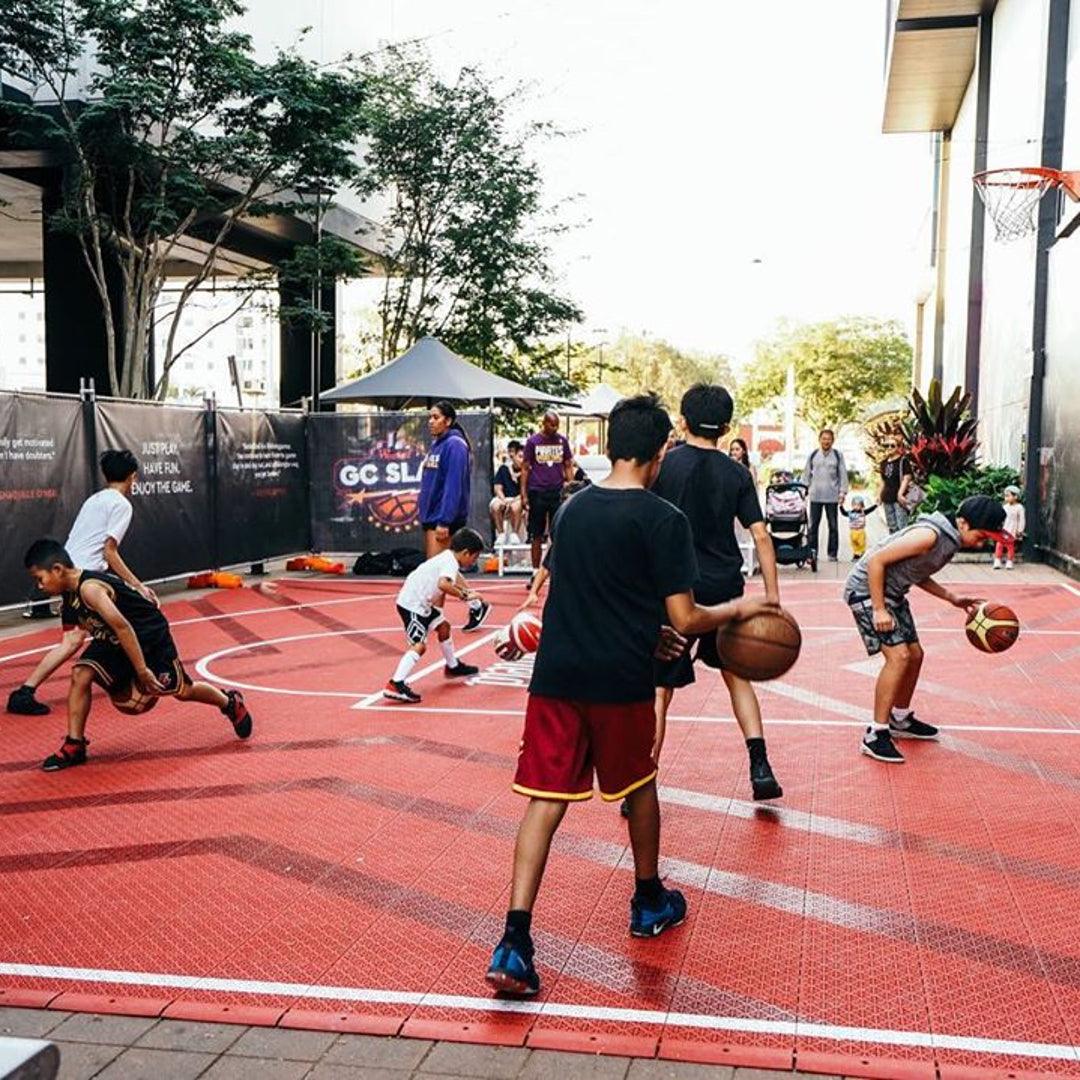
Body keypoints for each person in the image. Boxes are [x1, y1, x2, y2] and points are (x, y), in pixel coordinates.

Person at [485, 393, 770, 997]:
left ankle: (514, 940)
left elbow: (590, 592)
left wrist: (655, 633)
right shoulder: (664, 521)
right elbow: (688, 618)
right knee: (639, 787)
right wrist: (739, 608)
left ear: (614, 445)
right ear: (661, 449)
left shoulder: (571, 511)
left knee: (545, 802)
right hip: (621, 681)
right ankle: (647, 901)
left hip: (558, 677)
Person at [650, 384, 784, 802]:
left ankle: (642, 780)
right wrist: (773, 598)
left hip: (674, 590)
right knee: (738, 678)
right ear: (726, 427)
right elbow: (762, 537)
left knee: (658, 690)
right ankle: (759, 763)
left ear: (682, 421)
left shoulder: (663, 467)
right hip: (725, 586)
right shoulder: (738, 473)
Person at [23, 537, 253, 772]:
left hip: (148, 637)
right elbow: (72, 641)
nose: (39, 586)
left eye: (39, 579)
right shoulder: (69, 596)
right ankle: (75, 745)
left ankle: (229, 703)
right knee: (81, 672)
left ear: (58, 570)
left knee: (183, 691)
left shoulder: (89, 589)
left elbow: (124, 627)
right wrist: (28, 687)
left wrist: (142, 671)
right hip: (115, 639)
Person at [842, 495, 1006, 764]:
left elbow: (914, 572)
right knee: (899, 657)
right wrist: (879, 609)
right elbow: (876, 562)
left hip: (892, 593)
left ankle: (900, 719)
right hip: (866, 592)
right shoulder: (928, 535)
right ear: (963, 523)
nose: (984, 541)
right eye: (982, 534)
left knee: (915, 655)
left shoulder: (949, 542)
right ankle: (875, 733)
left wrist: (951, 598)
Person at [7, 449, 155, 718]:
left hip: (71, 575)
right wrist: (137, 585)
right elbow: (109, 551)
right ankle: (137, 673)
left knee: (73, 639)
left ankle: (24, 692)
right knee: (123, 626)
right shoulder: (122, 504)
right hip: (83, 579)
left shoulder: (95, 499)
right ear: (132, 477)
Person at [383, 528, 485, 703]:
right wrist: (465, 596)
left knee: (444, 627)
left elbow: (455, 578)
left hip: (422, 602)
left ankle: (453, 666)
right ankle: (395, 683)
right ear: (466, 553)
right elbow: (444, 584)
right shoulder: (450, 562)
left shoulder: (448, 558)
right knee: (419, 646)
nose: (474, 561)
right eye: (474, 557)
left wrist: (469, 593)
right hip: (412, 605)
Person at [418, 400, 488, 631]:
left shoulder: (455, 445)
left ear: (448, 421)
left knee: (437, 571)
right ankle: (476, 603)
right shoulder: (437, 444)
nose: (430, 421)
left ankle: (434, 616)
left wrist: (444, 520)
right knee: (443, 569)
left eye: (436, 417)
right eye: (430, 416)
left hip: (442, 518)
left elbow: (453, 485)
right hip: (433, 516)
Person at [520, 411, 574, 577]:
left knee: (557, 531)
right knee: (536, 533)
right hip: (537, 491)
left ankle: (556, 569)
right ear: (544, 423)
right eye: (552, 424)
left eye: (557, 424)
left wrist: (570, 487)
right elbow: (525, 468)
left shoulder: (561, 441)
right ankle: (535, 570)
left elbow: (568, 464)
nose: (555, 427)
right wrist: (523, 494)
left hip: (557, 491)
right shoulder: (533, 442)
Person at [802, 428, 848, 562]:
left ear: (833, 441)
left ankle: (832, 554)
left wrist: (842, 492)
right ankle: (812, 553)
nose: (826, 441)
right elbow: (806, 474)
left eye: (829, 439)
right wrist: (804, 490)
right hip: (815, 495)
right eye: (824, 438)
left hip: (832, 496)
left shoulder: (838, 456)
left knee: (833, 526)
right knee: (813, 526)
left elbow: (843, 474)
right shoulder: (813, 454)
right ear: (819, 440)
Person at [490, 441, 524, 545]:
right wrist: (503, 499)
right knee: (496, 505)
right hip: (504, 498)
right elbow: (497, 488)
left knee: (516, 507)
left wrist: (516, 499)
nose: (521, 460)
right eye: (520, 456)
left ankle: (515, 534)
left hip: (519, 499)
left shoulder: (528, 471)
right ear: (513, 456)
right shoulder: (503, 469)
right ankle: (500, 534)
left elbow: (526, 490)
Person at [878, 436, 913, 533]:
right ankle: (894, 545)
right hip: (887, 498)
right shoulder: (883, 463)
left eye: (892, 446)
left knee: (902, 527)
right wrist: (879, 496)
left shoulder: (903, 461)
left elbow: (907, 477)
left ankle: (904, 547)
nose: (889, 448)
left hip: (899, 500)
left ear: (898, 447)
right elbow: (883, 481)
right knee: (892, 527)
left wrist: (900, 494)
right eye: (886, 446)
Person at [996, 485, 1026, 569]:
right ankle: (997, 560)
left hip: (1012, 529)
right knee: (999, 544)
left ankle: (1009, 561)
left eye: (1008, 496)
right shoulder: (1005, 507)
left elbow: (1021, 519)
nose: (1006, 498)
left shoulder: (1019, 507)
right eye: (1005, 496)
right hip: (1003, 529)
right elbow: (1001, 518)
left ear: (1015, 496)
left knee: (1010, 546)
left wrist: (1020, 530)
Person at [840, 494, 878, 558]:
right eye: (854, 505)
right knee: (854, 543)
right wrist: (841, 506)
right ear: (852, 505)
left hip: (861, 531)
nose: (856, 507)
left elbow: (870, 509)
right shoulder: (850, 513)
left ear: (862, 506)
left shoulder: (863, 512)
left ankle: (862, 553)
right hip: (853, 531)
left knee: (861, 543)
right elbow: (844, 513)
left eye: (858, 505)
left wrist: (876, 505)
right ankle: (856, 554)